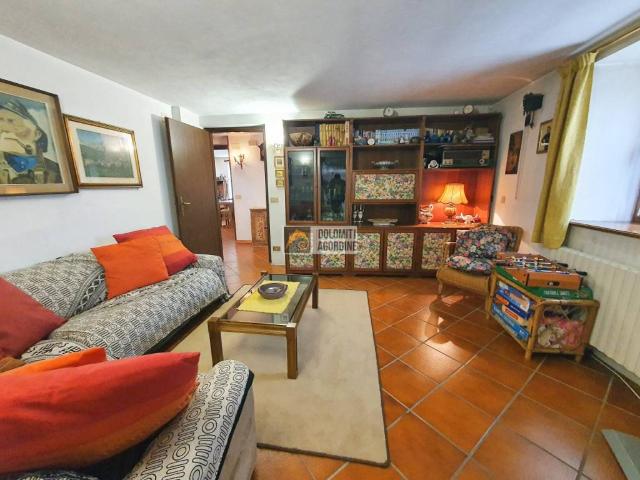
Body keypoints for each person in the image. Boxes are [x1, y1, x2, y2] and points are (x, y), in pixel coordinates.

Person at [0, 97, 61, 184]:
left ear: (37, 134)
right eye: (0, 120)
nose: (3, 127)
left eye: (11, 121)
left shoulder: (56, 170)